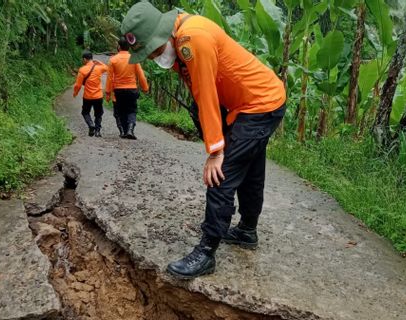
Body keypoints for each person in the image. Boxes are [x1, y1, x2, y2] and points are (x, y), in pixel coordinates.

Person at [121, 2, 286, 279]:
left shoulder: (191, 38)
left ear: (162, 33)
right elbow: (200, 96)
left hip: (258, 105)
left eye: (154, 50)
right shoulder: (179, 38)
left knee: (221, 174)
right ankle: (247, 230)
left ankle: (207, 252)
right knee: (250, 168)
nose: (153, 58)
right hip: (253, 103)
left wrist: (215, 150)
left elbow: (206, 92)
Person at [105, 37, 150, 139]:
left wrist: (108, 92)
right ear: (128, 47)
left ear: (119, 47)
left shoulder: (113, 60)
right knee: (131, 110)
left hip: (118, 90)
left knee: (121, 111)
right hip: (131, 89)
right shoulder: (134, 59)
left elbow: (109, 78)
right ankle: (130, 130)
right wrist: (145, 88)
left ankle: (124, 132)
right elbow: (141, 75)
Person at [73, 50, 108, 137]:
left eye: (83, 59)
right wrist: (98, 62)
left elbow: (78, 85)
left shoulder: (82, 70)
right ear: (92, 58)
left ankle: (91, 125)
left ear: (85, 59)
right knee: (98, 114)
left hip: (87, 96)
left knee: (85, 112)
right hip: (98, 96)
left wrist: (75, 93)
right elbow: (106, 67)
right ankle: (97, 131)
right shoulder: (99, 68)